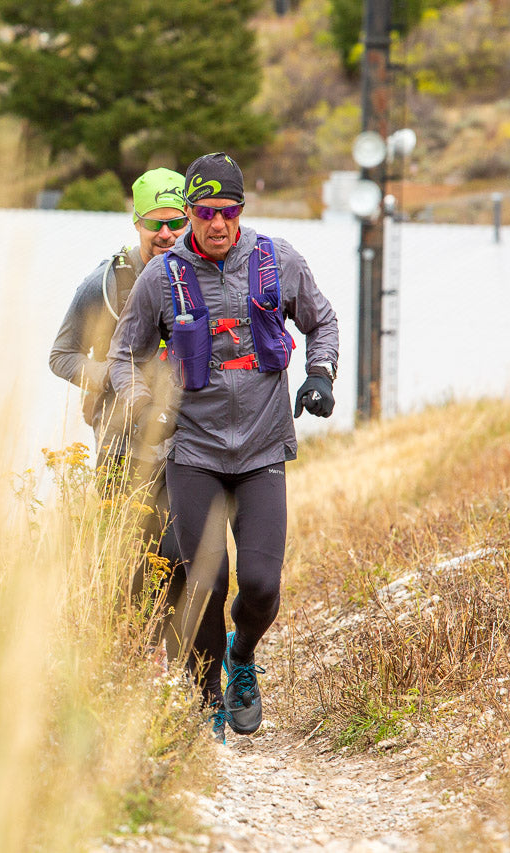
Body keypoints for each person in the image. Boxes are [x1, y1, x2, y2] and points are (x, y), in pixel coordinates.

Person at [108, 152, 340, 743]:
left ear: (241, 212)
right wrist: (141, 406)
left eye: (228, 212)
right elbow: (122, 354)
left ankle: (243, 656)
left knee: (260, 587)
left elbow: (323, 321)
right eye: (206, 212)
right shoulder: (165, 277)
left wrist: (321, 374)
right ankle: (208, 695)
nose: (217, 225)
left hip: (262, 449)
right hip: (194, 451)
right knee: (206, 582)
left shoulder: (276, 259)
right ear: (189, 212)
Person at [48, 167, 190, 664]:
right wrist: (113, 373)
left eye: (176, 221)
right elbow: (60, 355)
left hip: (186, 445)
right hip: (119, 446)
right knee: (126, 555)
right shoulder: (106, 283)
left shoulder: (203, 274)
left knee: (178, 554)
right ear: (136, 222)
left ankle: (172, 655)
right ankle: (130, 658)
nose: (166, 234)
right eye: (155, 222)